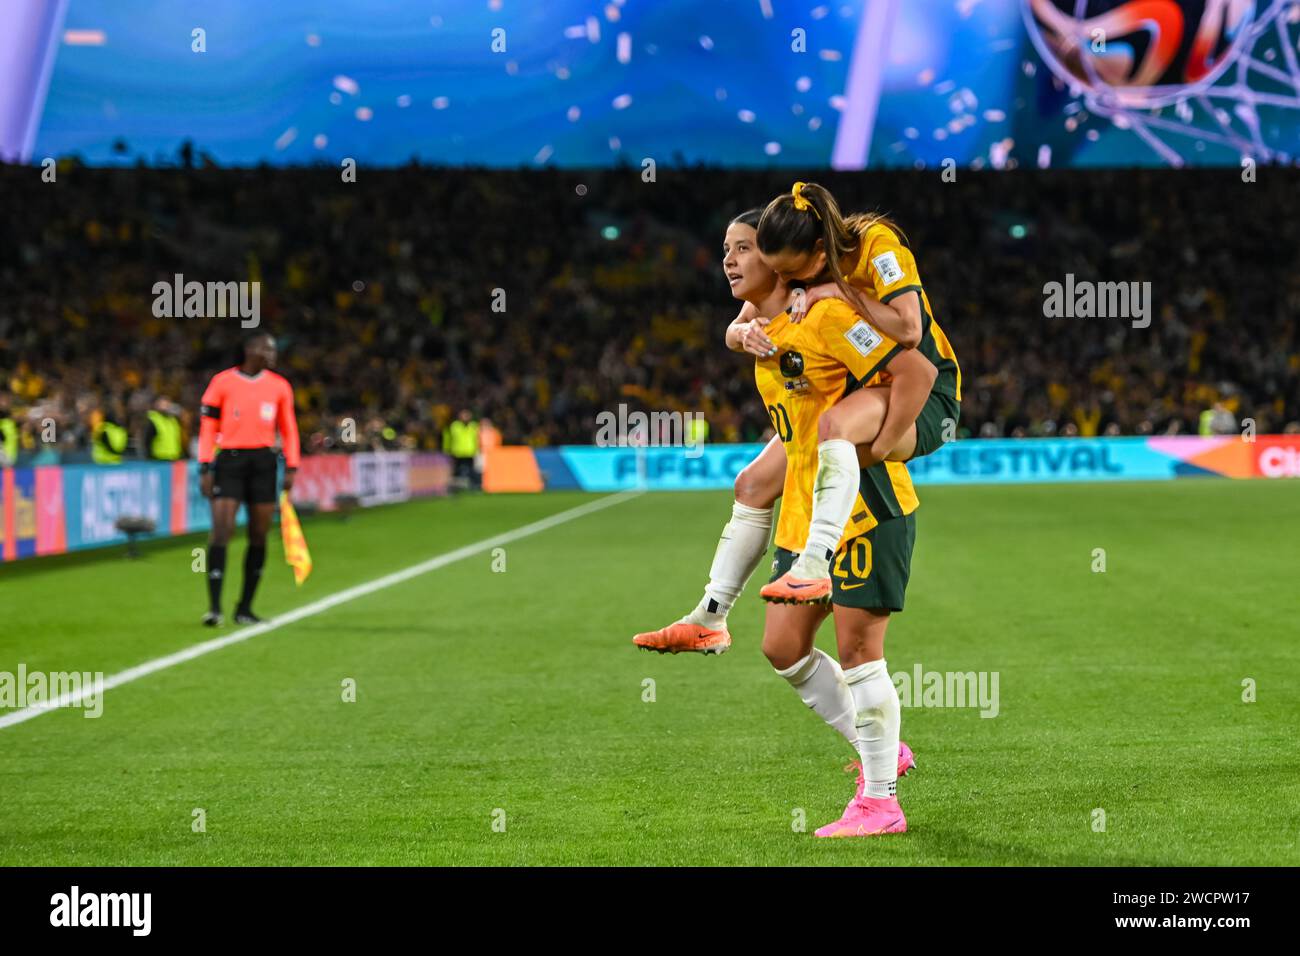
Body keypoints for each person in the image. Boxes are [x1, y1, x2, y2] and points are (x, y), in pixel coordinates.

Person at [634, 183, 955, 652]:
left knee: (839, 431)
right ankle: (710, 616)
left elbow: (909, 331)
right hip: (873, 385)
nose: (789, 283)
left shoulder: (875, 247)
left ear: (819, 249)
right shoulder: (800, 262)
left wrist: (835, 291)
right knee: (753, 484)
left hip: (923, 393)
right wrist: (741, 335)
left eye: (792, 273)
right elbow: (736, 324)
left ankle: (814, 563)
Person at [197, 333, 300, 626]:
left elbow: (289, 429)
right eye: (267, 348)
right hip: (229, 460)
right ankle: (214, 607)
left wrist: (292, 466)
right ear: (250, 349)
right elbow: (207, 428)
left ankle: (245, 607)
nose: (272, 353)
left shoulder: (280, 386)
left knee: (258, 534)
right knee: (222, 530)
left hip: (264, 462)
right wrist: (205, 466)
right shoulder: (222, 382)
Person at [443, 408, 480, 490]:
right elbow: (448, 438)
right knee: (456, 471)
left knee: (472, 470)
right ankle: (453, 488)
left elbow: (477, 438)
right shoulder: (454, 425)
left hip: (470, 452)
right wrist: (447, 449)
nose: (465, 417)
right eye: (464, 415)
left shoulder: (474, 425)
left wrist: (478, 449)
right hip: (458, 452)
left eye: (467, 415)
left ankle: (472, 487)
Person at [143, 395, 184, 461]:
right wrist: (149, 458)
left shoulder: (173, 420)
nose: (166, 406)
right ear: (156, 405)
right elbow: (146, 441)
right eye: (163, 404)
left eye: (168, 404)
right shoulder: (153, 420)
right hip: (159, 459)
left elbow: (177, 439)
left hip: (174, 459)